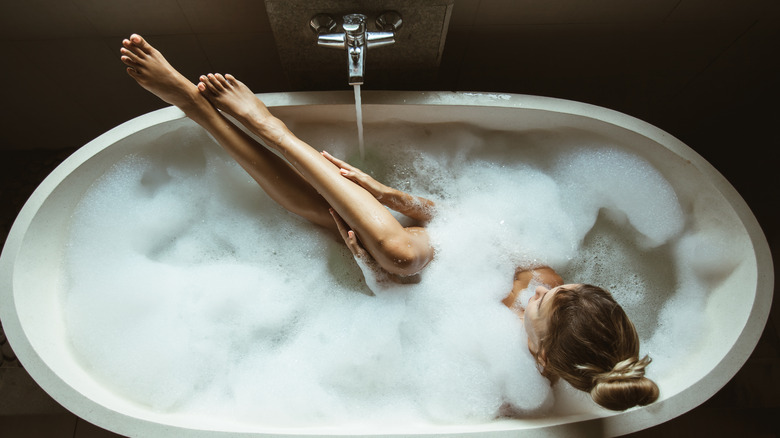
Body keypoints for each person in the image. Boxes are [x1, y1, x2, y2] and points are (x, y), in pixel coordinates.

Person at [119, 34, 658, 411]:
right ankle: (246, 121)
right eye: (559, 288)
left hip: (405, 281)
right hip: (418, 245)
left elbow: (420, 337)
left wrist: (374, 275)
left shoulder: (521, 372)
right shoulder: (547, 280)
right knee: (379, 239)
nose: (541, 291)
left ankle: (208, 110)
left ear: (540, 354)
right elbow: (467, 223)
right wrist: (388, 193)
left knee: (333, 220)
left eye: (541, 308)